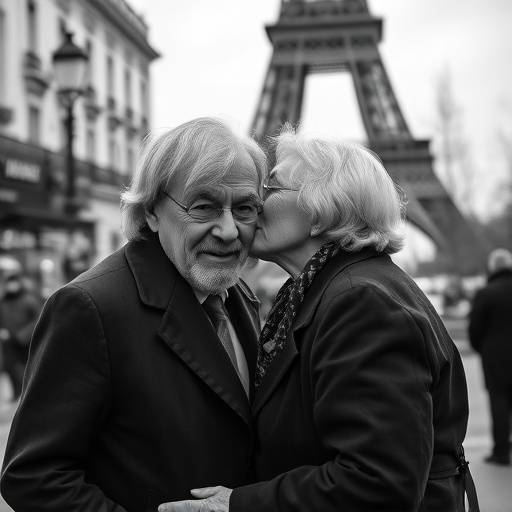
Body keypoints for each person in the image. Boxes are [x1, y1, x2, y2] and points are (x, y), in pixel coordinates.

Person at [161, 130, 478, 512]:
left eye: (271, 187)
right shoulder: (334, 290)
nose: (255, 202)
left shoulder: (360, 303)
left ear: (320, 210)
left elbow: (378, 482)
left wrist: (237, 505)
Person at [0, 117, 266, 511]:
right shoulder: (89, 308)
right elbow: (33, 476)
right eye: (204, 206)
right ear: (153, 211)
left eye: (244, 208)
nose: (228, 230)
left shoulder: (236, 293)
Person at [469, 248, 512, 466]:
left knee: (500, 404)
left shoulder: (486, 293)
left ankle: (502, 452)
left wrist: (483, 348)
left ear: (492, 267)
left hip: (496, 358)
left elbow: (474, 329)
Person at [0, 265, 42, 401]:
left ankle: (30, 395)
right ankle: (17, 395)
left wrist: (24, 335)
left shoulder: (28, 300)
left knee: (29, 370)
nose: (12, 285)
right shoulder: (3, 302)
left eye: (14, 281)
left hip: (27, 343)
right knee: (12, 370)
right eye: (9, 282)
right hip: (9, 344)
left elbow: (39, 319)